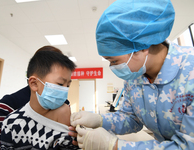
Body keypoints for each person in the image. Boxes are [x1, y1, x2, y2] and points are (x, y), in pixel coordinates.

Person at [70, 0, 194, 150]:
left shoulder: (189, 71)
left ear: (142, 47)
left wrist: (115, 146)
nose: (113, 67)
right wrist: (99, 120)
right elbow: (131, 119)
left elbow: (188, 145)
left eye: (115, 61)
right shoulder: (135, 78)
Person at [0, 46, 72, 150]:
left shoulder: (64, 104)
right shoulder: (7, 106)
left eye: (67, 86)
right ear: (34, 82)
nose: (64, 90)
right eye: (60, 83)